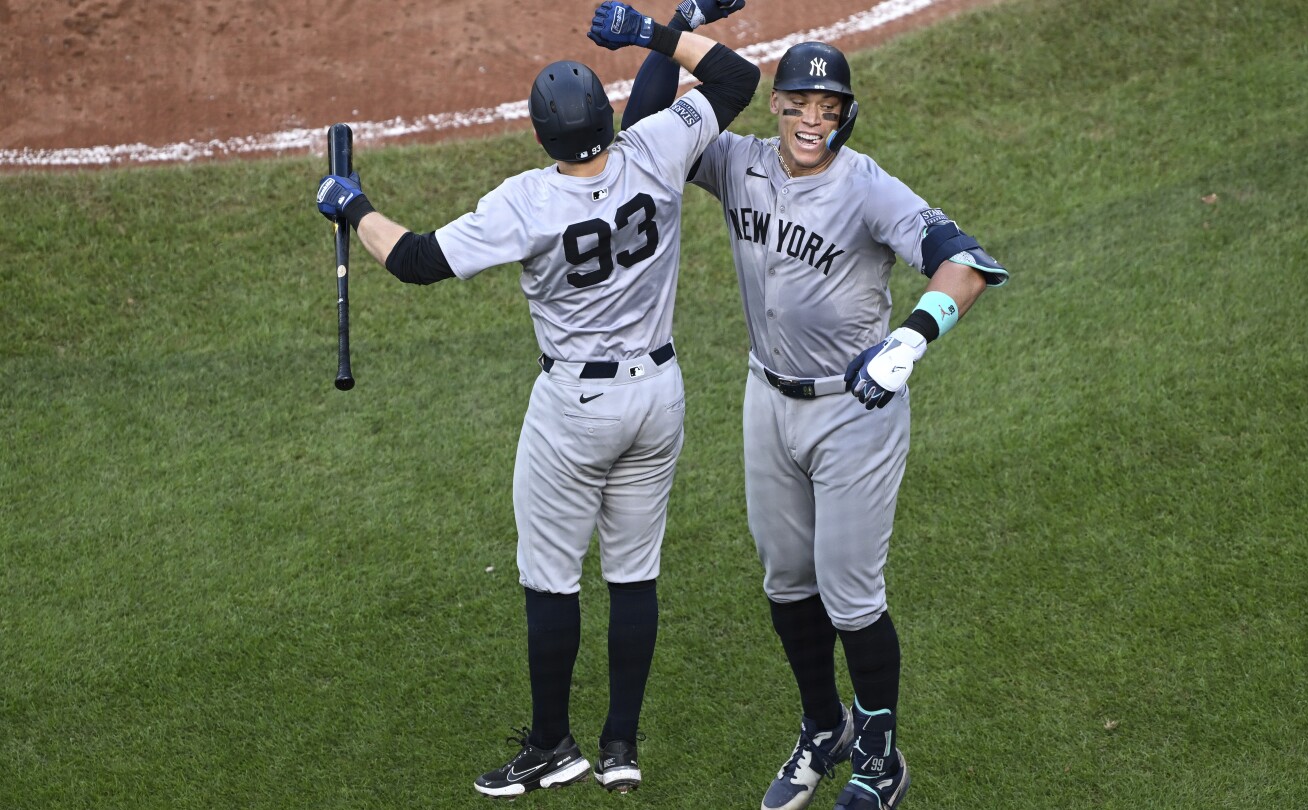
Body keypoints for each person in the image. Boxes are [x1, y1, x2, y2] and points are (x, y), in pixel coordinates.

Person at [314, 1, 758, 798]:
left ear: (542, 135)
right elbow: (733, 76)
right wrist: (662, 29)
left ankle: (553, 745)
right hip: (659, 396)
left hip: (575, 413)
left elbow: (414, 260)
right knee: (634, 575)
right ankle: (620, 744)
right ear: (606, 118)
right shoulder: (655, 148)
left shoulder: (525, 201)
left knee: (552, 579)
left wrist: (350, 204)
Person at [622, 6, 1008, 809]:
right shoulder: (738, 162)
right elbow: (648, 126)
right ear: (778, 107)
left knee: (851, 593)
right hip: (768, 399)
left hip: (853, 414)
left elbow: (965, 264)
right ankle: (822, 725)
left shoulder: (867, 187)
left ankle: (879, 756)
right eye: (798, 105)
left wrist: (908, 341)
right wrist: (672, 27)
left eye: (827, 110)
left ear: (847, 115)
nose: (811, 121)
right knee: (787, 583)